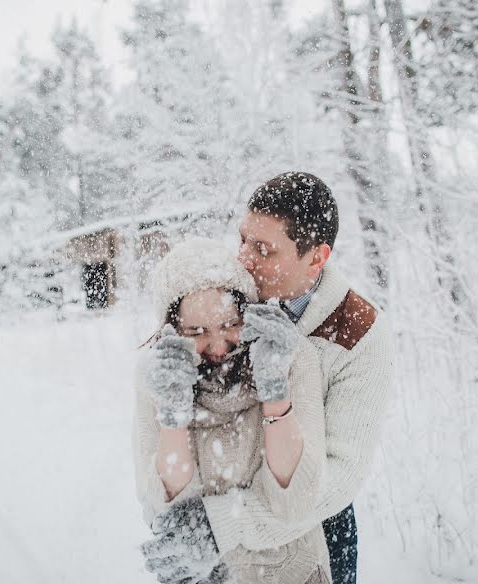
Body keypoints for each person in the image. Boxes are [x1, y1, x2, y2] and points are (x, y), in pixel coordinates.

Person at [142, 172, 395, 583]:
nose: (243, 258)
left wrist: (222, 526)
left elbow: (339, 477)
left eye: (263, 249)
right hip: (213, 504)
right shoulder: (235, 293)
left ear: (316, 257)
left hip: (313, 529)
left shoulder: (359, 333)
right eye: (243, 239)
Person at [134, 238, 333, 583]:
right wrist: (174, 409)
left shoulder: (291, 355)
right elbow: (165, 507)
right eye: (196, 331)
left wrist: (274, 389)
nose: (217, 346)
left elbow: (297, 496)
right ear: (172, 330)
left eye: (230, 325)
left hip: (292, 572)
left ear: (248, 311)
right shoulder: (157, 373)